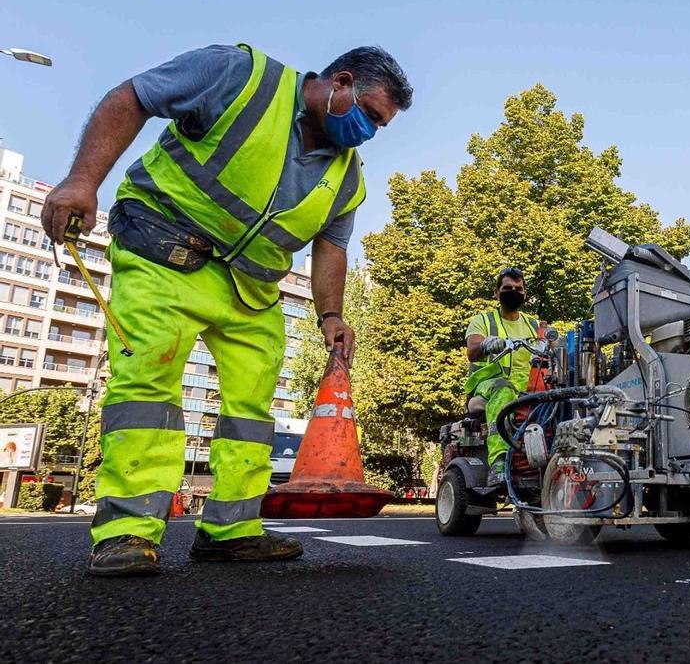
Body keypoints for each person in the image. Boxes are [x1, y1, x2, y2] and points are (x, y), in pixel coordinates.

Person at [42, 44, 413, 577]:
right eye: (370, 115)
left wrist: (331, 316)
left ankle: (231, 529)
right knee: (147, 386)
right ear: (341, 82)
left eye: (380, 126)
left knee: (251, 412)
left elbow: (331, 248)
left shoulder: (348, 179)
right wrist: (83, 180)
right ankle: (127, 531)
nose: (369, 132)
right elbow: (132, 97)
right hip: (163, 253)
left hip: (250, 290)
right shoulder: (239, 76)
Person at [464, 268, 540, 486]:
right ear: (496, 293)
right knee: (504, 390)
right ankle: (498, 461)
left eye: (519, 289)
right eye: (507, 288)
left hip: (527, 389)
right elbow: (472, 350)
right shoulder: (483, 321)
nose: (514, 292)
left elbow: (553, 349)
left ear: (525, 293)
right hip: (489, 386)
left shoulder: (534, 325)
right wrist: (486, 344)